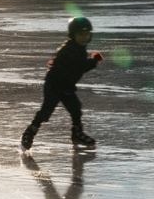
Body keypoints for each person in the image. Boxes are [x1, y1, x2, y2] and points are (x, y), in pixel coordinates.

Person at [22, 15, 103, 151]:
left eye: (86, 34)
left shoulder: (78, 48)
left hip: (67, 86)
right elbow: (78, 67)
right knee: (46, 111)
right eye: (80, 34)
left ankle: (77, 134)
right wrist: (94, 61)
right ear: (72, 35)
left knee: (75, 109)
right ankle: (29, 133)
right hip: (54, 85)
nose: (84, 37)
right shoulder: (70, 49)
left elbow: (65, 63)